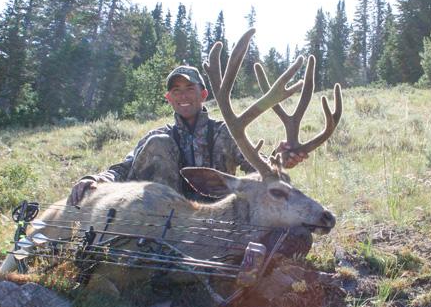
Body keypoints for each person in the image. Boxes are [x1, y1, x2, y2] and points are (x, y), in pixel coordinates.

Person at [66, 65, 307, 206]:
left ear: (203, 94)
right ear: (168, 98)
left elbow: (257, 166)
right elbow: (124, 167)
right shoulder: (159, 136)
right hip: (165, 219)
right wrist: (96, 179)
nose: (183, 96)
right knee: (158, 144)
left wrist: (282, 158)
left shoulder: (225, 132)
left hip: (213, 215)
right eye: (176, 91)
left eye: (190, 89)